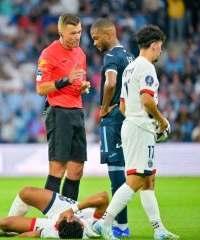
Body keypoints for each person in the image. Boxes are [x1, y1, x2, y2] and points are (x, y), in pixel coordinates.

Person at [93, 25, 179, 240]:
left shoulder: (130, 69)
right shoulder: (146, 67)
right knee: (135, 181)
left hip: (131, 126)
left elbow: (122, 105)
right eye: (160, 47)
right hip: (140, 128)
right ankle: (105, 223)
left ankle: (158, 229)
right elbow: (147, 99)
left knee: (148, 180)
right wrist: (161, 121)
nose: (161, 51)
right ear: (155, 45)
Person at [36, 13, 90, 201]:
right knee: (57, 169)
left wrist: (82, 85)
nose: (77, 37)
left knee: (76, 170)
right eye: (72, 33)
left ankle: (68, 216)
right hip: (58, 113)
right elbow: (41, 88)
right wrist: (67, 80)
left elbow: (78, 80)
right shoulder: (48, 54)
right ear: (60, 32)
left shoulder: (80, 54)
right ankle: (49, 218)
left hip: (77, 112)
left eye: (79, 32)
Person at [90, 19, 134, 238]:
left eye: (96, 38)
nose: (95, 43)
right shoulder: (129, 55)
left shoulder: (110, 57)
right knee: (127, 172)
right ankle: (120, 223)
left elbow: (110, 82)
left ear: (108, 33)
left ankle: (121, 226)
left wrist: (104, 107)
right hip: (128, 117)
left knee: (116, 173)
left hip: (114, 118)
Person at [0, 187, 107, 239]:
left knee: (6, 224)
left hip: (58, 221)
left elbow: (31, 235)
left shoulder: (56, 231)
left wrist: (6, 233)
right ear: (79, 222)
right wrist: (71, 210)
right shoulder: (93, 226)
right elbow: (103, 197)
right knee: (26, 193)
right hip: (68, 208)